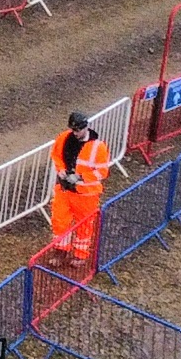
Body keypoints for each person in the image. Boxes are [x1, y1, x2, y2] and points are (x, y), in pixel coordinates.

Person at [43, 110, 111, 269]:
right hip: (64, 188)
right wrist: (60, 169)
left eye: (78, 130)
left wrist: (80, 177)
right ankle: (61, 250)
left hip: (86, 193)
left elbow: (102, 172)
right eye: (73, 130)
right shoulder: (64, 137)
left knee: (84, 224)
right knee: (59, 220)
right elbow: (57, 155)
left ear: (85, 127)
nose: (75, 133)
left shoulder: (98, 147)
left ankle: (80, 254)